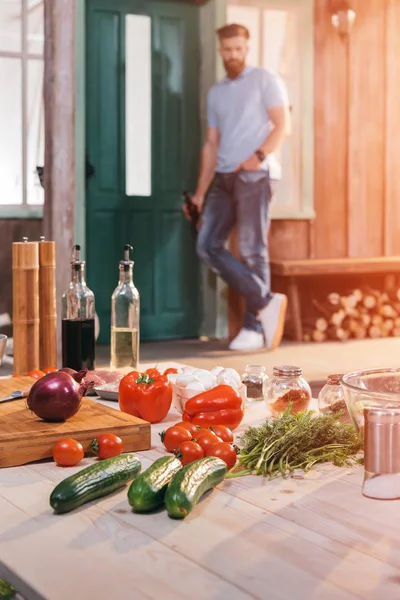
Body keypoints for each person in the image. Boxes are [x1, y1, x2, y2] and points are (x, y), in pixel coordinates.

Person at [184, 23, 291, 351]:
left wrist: (257, 158)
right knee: (207, 245)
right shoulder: (217, 93)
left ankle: (254, 328)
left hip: (255, 175)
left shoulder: (264, 79)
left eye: (238, 49)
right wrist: (201, 192)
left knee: (251, 250)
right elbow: (211, 145)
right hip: (224, 177)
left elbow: (282, 124)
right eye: (227, 49)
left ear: (246, 47)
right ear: (220, 50)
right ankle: (265, 301)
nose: (233, 55)